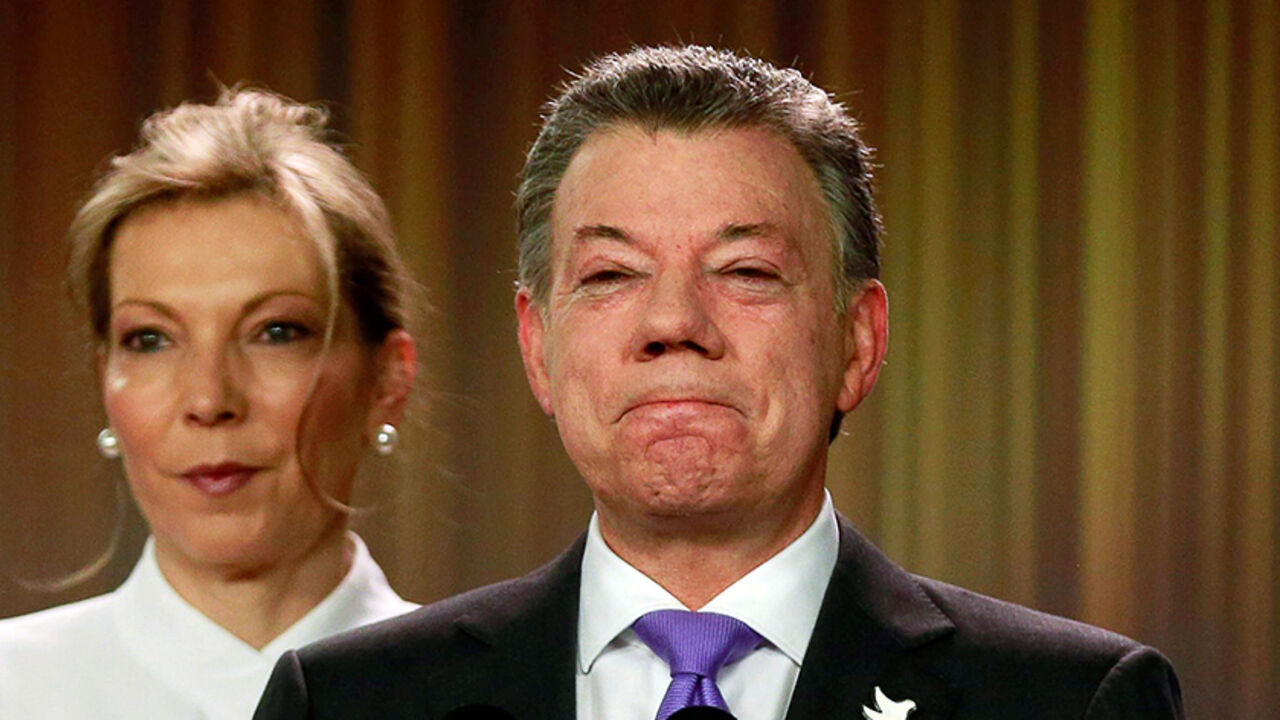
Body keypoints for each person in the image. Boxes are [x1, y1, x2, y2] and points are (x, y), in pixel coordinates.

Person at [254, 46, 1184, 719]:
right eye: (612, 276)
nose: (673, 326)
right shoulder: (343, 703)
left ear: (856, 343)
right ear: (538, 347)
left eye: (745, 273)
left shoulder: (1072, 701)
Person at [0, 88, 422, 720]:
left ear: (387, 379)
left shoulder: (516, 694)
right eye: (151, 340)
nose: (208, 398)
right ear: (104, 380)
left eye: (276, 332)